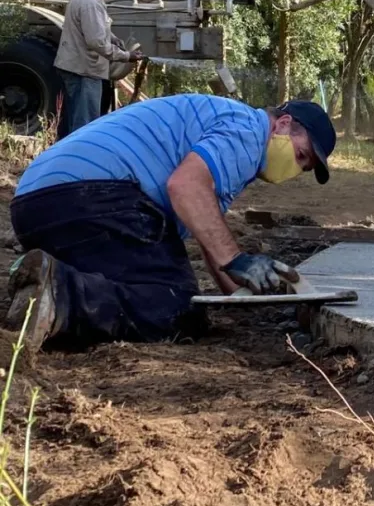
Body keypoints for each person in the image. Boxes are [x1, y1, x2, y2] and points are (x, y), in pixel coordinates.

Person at [7, 95, 336, 351]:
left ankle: (46, 278)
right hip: (91, 197)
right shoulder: (248, 132)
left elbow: (208, 230)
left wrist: (248, 292)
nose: (294, 169)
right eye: (301, 156)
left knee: (137, 282)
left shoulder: (222, 126)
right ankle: (61, 295)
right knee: (174, 305)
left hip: (37, 204)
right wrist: (238, 260)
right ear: (283, 124)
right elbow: (185, 186)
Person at [54, 0, 143, 135]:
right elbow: (97, 42)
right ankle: (80, 159)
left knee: (73, 120)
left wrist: (113, 38)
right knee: (84, 125)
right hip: (84, 70)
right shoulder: (90, 2)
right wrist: (127, 56)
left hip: (76, 66)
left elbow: (94, 28)